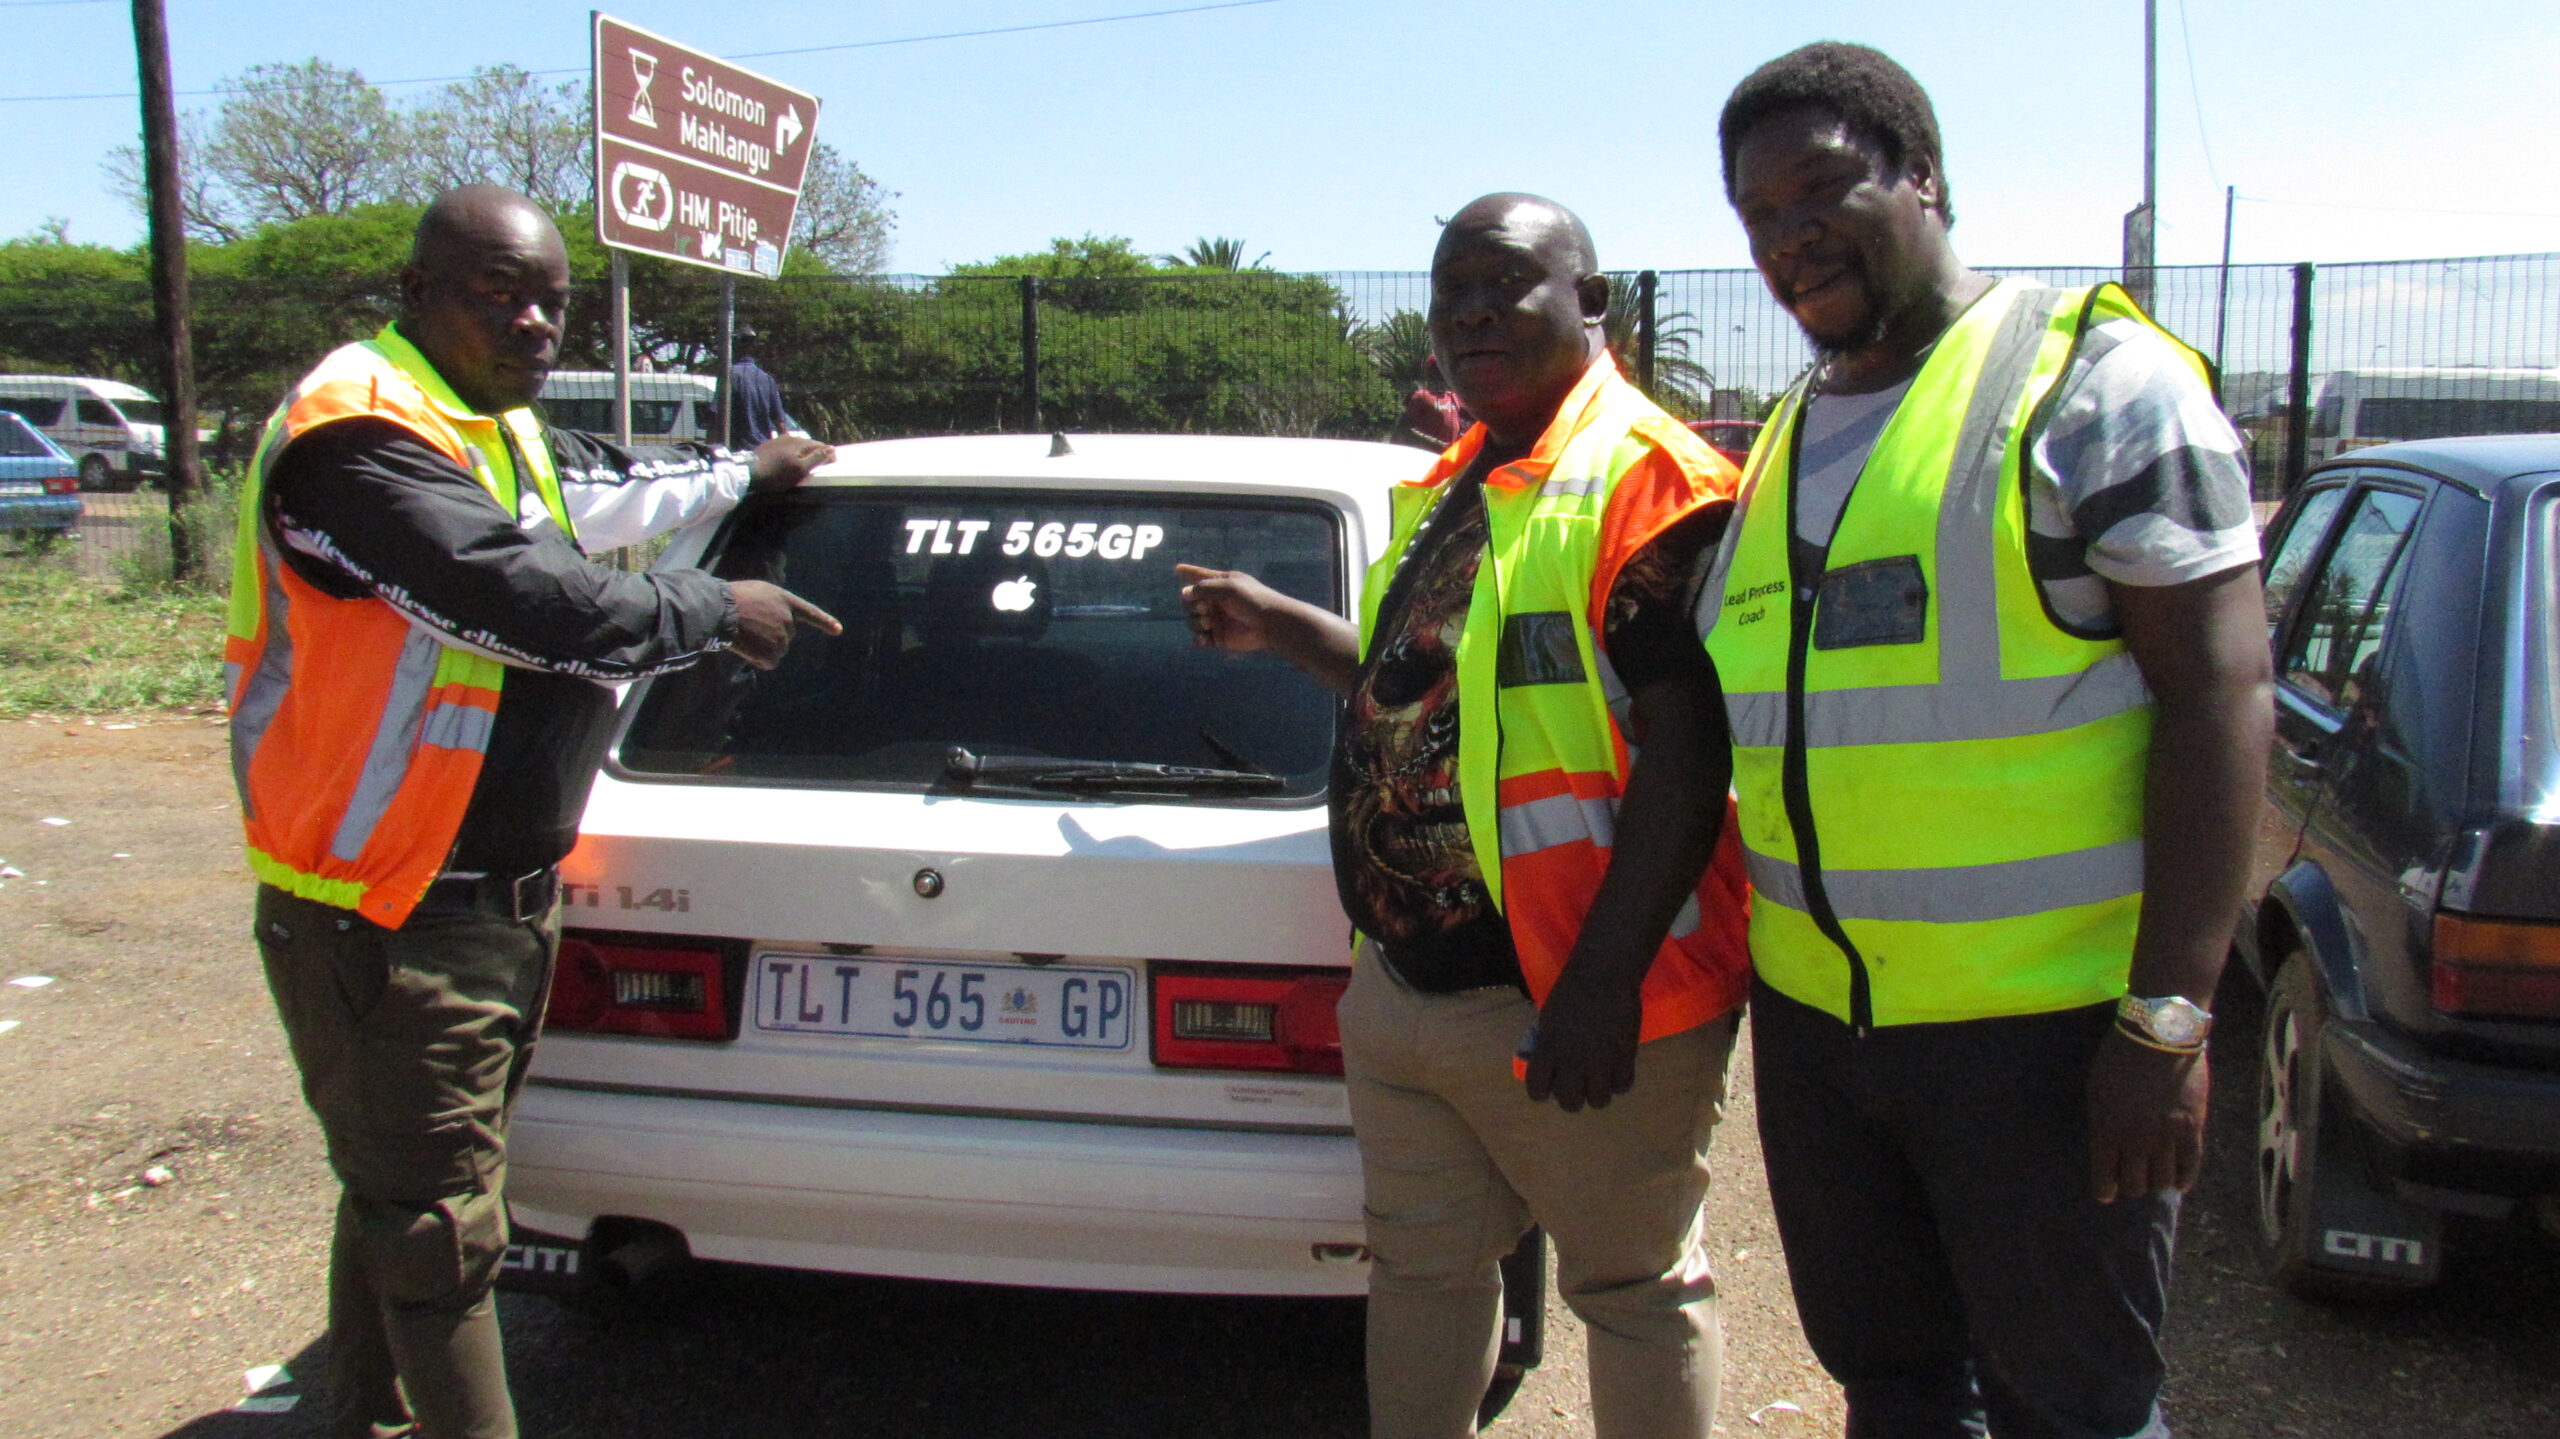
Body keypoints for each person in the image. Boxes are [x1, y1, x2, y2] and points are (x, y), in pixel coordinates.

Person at [1700, 44, 2273, 1438]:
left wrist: (2168, 1021)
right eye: (1757, 215)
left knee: (2073, 1405)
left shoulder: (2095, 383)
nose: (1789, 239)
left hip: (2049, 1038)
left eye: (1821, 189)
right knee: (1897, 1393)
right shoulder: (1784, 439)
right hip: (1829, 1043)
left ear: (1924, 176)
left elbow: (2220, 699)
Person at [222, 185, 839, 1439]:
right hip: (386, 905)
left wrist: (745, 474)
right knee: (442, 1230)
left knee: (407, 1183)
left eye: (553, 297)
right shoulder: (356, 435)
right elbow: (517, 594)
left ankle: (359, 1411)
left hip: (490, 892)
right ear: (414, 293)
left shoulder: (484, 427)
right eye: (498, 291)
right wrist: (723, 610)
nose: (536, 320)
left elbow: (597, 496)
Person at [1179, 194, 1751, 1439]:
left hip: (1577, 991)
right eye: (1450, 292)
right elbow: (1427, 690)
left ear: (1592, 304)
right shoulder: (1464, 477)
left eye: (1507, 284)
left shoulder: (1647, 478)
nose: (1471, 313)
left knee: (1635, 1288)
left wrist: (1601, 981)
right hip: (1408, 989)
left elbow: (1692, 748)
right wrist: (1283, 626)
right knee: (1425, 1277)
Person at [723, 324, 797, 448]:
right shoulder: (767, 379)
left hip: (737, 451)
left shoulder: (729, 376)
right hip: (763, 452)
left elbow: (715, 419)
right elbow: (780, 423)